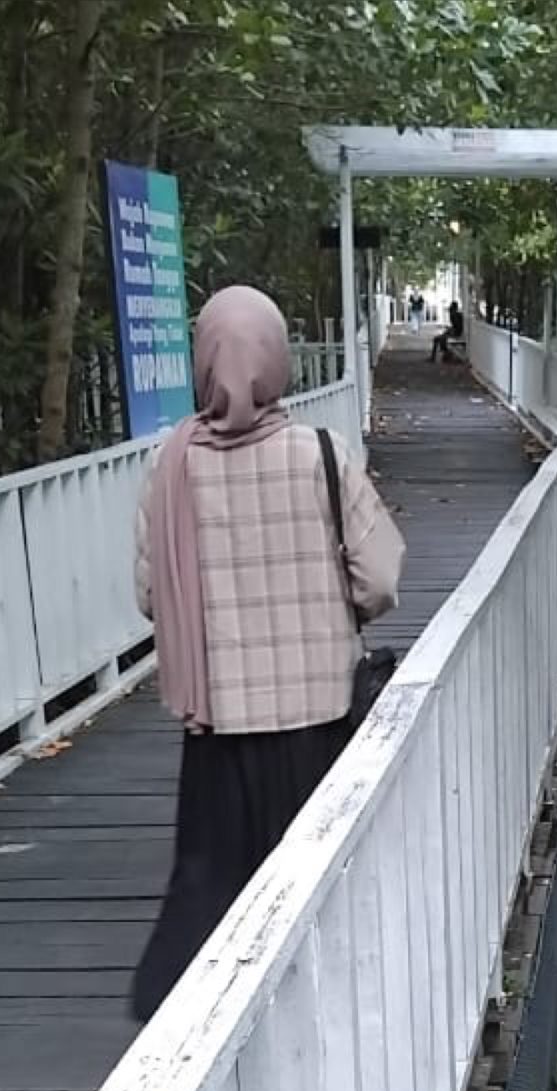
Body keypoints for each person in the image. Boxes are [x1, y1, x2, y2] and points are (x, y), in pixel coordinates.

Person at [125, 285, 405, 1024]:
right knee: (318, 883)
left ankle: (189, 1018)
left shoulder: (171, 465)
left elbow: (152, 596)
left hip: (215, 725)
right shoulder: (321, 453)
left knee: (214, 887)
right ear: (277, 358)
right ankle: (324, 1012)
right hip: (317, 719)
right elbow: (377, 580)